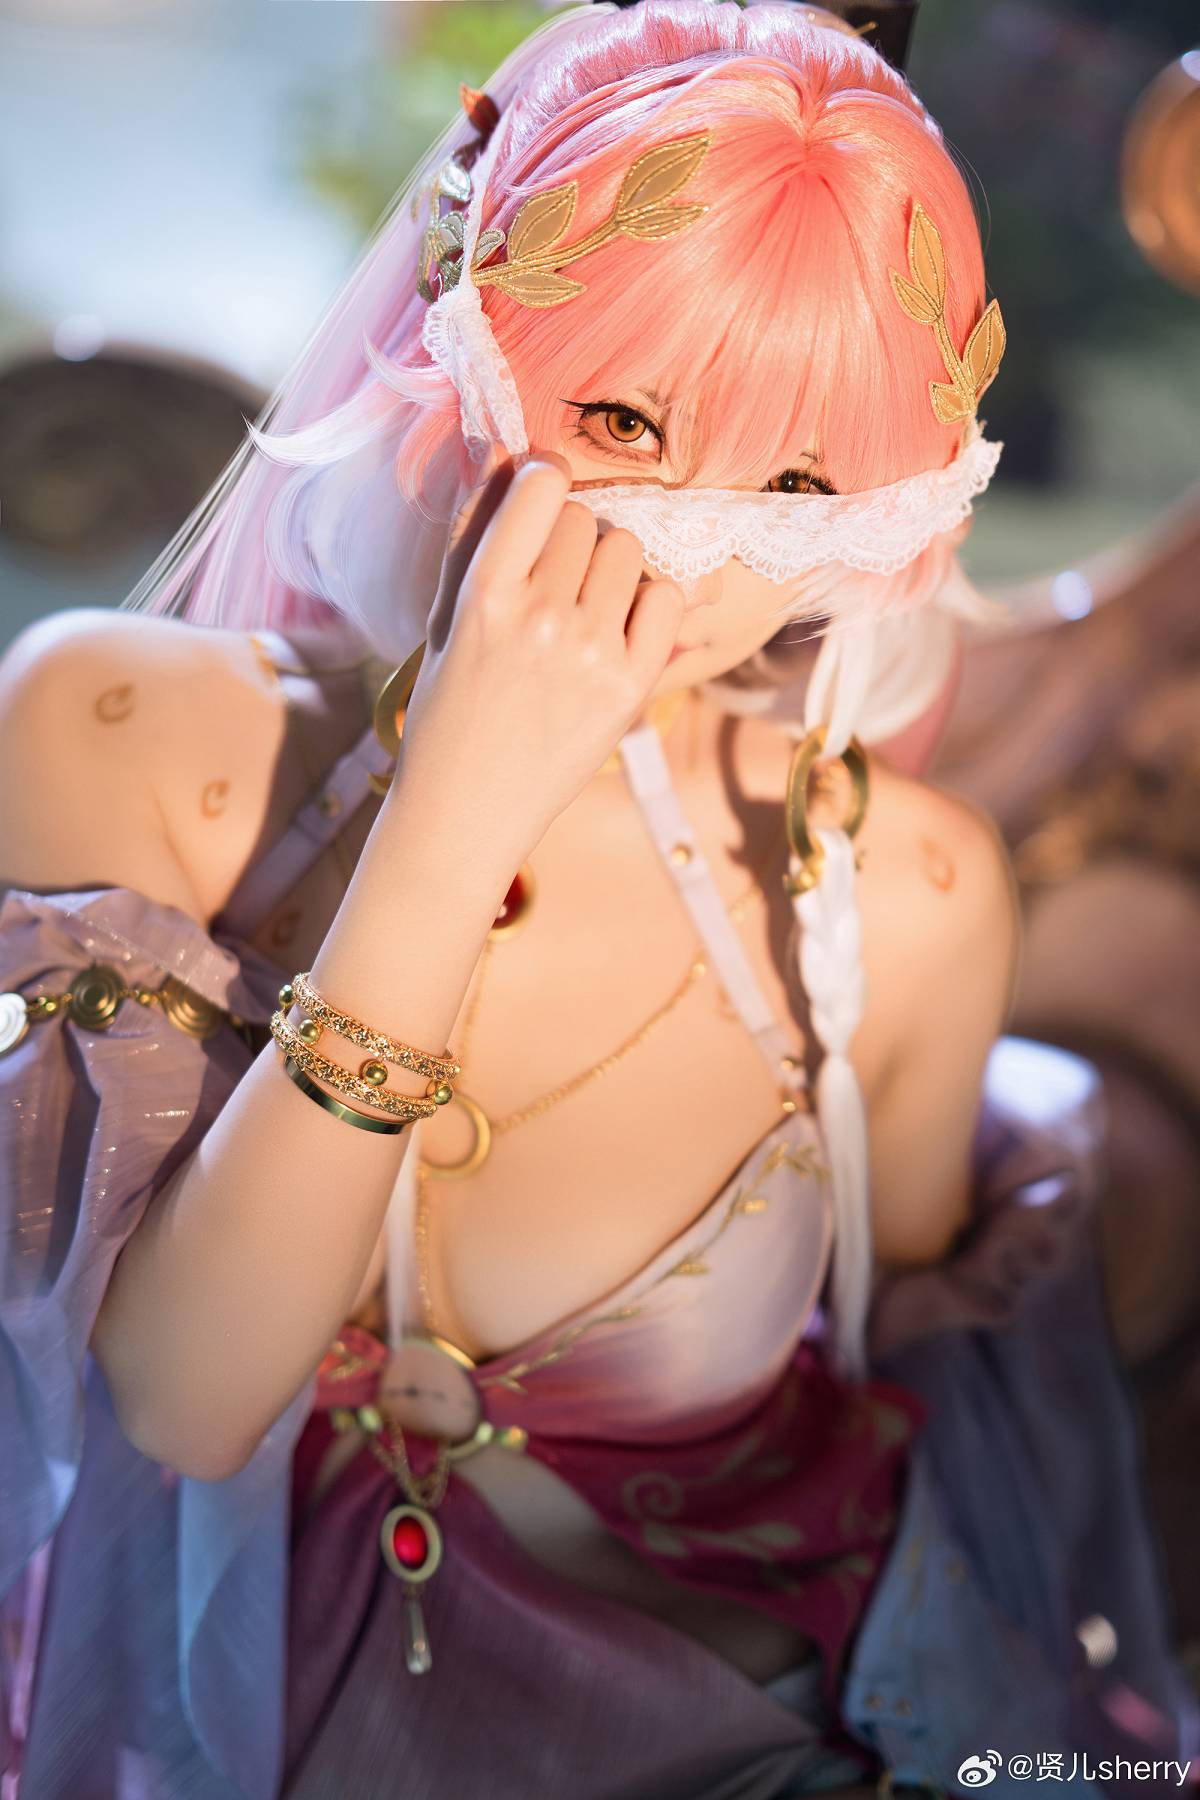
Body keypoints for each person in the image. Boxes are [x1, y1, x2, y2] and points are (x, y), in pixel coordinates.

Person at [0, 4, 1194, 1796]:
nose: (677, 548)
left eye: (795, 485)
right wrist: (461, 797)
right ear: (455, 350)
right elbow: (183, 1399)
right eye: (623, 418)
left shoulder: (900, 899)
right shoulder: (124, 729)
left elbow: (941, 1481)